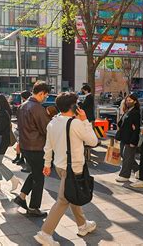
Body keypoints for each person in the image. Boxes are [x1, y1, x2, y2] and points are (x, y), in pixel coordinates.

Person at [34, 92, 98, 245]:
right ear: (73, 106)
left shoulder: (53, 122)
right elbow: (93, 141)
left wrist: (47, 164)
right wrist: (85, 121)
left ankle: (83, 225)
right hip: (73, 167)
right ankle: (45, 233)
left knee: (71, 193)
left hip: (60, 166)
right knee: (63, 200)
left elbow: (48, 146)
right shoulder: (75, 123)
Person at [14, 81, 51, 217]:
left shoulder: (22, 106)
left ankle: (22, 197)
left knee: (35, 173)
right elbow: (47, 129)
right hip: (37, 146)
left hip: (25, 146)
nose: (45, 98)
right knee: (39, 177)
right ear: (41, 93)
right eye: (45, 96)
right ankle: (34, 207)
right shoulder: (37, 108)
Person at [115, 94, 141, 182]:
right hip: (124, 137)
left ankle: (125, 175)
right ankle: (137, 169)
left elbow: (136, 129)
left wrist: (133, 141)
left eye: (130, 100)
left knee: (127, 156)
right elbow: (121, 123)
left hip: (130, 138)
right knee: (124, 155)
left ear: (135, 101)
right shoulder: (127, 111)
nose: (128, 102)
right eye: (127, 100)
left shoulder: (135, 112)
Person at [13, 90, 31, 167]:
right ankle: (19, 157)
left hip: (24, 129)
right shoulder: (28, 104)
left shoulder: (25, 105)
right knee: (19, 144)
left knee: (21, 144)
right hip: (22, 128)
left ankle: (21, 158)